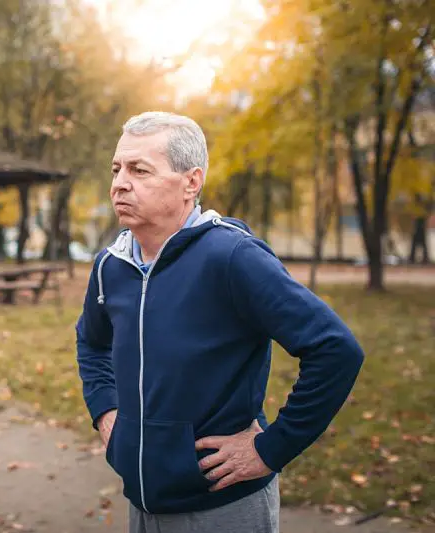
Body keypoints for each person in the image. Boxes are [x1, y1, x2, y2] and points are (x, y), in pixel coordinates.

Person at [75, 111, 364, 533]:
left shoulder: (232, 257)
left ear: (191, 182)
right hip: (141, 502)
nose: (119, 182)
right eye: (117, 168)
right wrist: (106, 411)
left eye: (140, 170)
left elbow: (336, 349)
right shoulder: (110, 266)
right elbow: (92, 342)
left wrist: (270, 448)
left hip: (221, 504)